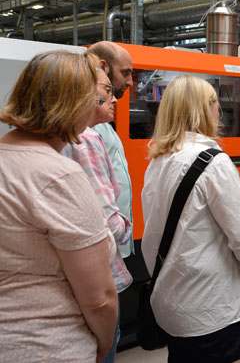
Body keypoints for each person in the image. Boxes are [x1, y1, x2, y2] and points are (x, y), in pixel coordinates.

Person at [0, 50, 118, 362]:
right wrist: (102, 347)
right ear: (73, 104)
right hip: (48, 345)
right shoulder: (58, 174)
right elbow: (99, 301)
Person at [141, 75, 240, 363]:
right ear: (204, 109)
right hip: (210, 309)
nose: (219, 111)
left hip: (172, 303)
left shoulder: (158, 159)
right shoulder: (214, 161)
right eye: (215, 103)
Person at [62, 69, 133, 363]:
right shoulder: (87, 138)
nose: (115, 96)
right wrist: (125, 228)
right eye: (109, 88)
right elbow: (107, 219)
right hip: (100, 269)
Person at [88, 41, 134, 258]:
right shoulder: (87, 133)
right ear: (104, 67)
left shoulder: (102, 123)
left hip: (113, 241)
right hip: (103, 242)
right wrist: (119, 229)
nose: (130, 82)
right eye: (125, 73)